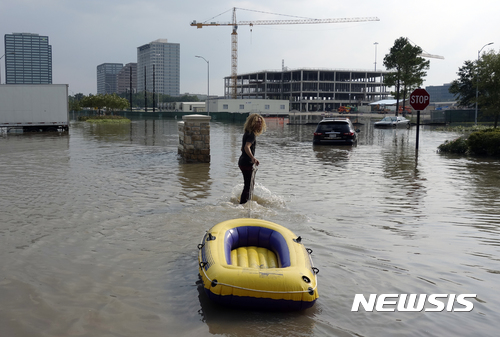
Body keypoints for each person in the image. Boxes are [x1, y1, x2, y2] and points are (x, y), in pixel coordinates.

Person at [238, 113, 266, 204]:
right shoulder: (252, 135)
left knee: (248, 185)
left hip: (242, 162)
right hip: (247, 163)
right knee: (249, 186)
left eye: (260, 122)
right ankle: (244, 205)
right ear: (252, 123)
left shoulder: (247, 133)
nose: (260, 124)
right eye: (258, 122)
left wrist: (248, 154)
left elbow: (242, 148)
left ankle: (244, 203)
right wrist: (253, 158)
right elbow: (246, 147)